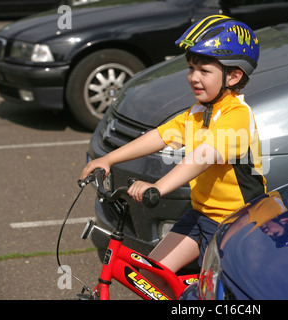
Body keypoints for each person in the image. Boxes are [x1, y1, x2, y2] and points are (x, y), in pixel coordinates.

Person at [80, 14, 266, 295]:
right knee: (149, 276)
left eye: (205, 70)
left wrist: (158, 187)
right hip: (201, 213)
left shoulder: (236, 115)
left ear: (234, 75)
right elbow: (158, 136)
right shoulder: (198, 112)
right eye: (191, 68)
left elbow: (203, 156)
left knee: (215, 293)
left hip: (236, 222)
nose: (193, 77)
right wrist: (109, 159)